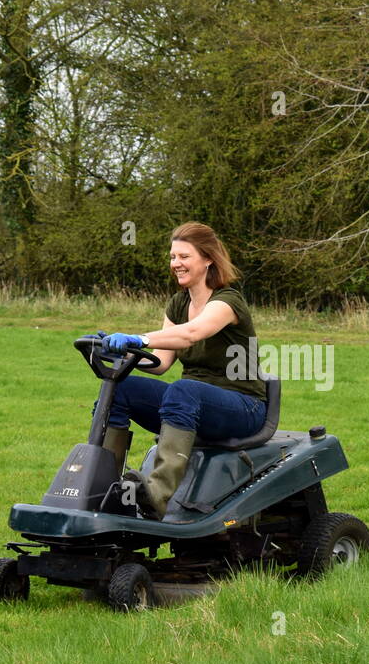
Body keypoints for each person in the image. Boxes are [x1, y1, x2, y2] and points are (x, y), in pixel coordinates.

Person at [96, 222, 266, 520]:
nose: (176, 264)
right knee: (121, 389)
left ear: (208, 259)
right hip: (192, 402)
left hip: (243, 406)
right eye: (173, 257)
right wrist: (123, 352)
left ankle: (156, 495)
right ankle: (103, 487)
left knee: (182, 390)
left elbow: (192, 333)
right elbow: (161, 362)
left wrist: (140, 338)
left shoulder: (228, 301)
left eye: (184, 256)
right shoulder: (178, 304)